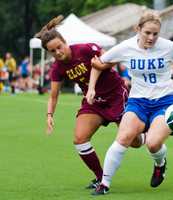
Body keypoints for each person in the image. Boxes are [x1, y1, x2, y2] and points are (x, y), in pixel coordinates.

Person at [86, 11, 173, 195]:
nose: (151, 37)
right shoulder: (125, 47)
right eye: (147, 32)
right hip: (138, 101)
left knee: (153, 144)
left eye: (155, 33)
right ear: (137, 29)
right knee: (124, 138)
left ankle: (160, 164)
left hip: (165, 101)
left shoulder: (168, 47)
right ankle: (104, 184)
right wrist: (91, 88)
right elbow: (98, 64)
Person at [35, 15, 144, 189]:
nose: (58, 52)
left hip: (116, 96)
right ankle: (101, 178)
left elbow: (111, 60)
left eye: (59, 47)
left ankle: (147, 136)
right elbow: (54, 95)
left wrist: (100, 67)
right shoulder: (57, 68)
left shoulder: (85, 49)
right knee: (79, 139)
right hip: (93, 102)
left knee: (135, 142)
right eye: (53, 51)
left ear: (65, 42)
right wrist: (49, 115)